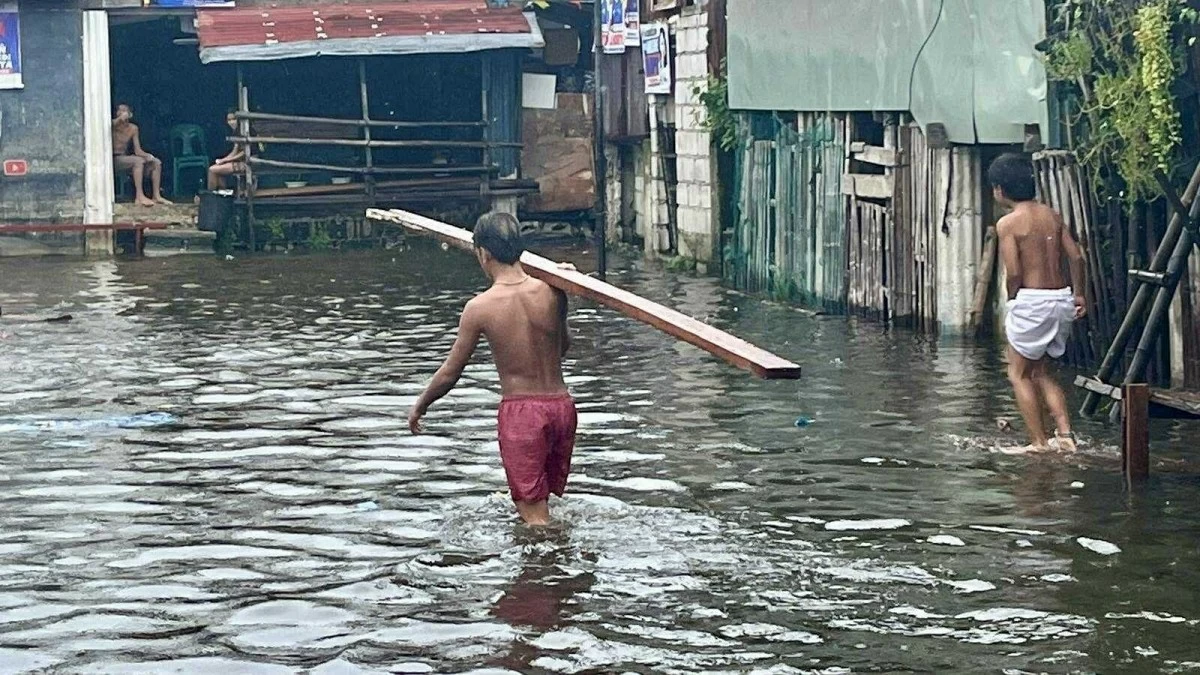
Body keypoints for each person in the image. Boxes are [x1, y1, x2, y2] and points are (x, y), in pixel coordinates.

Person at [408, 212, 576, 526]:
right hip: (562, 407)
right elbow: (563, 348)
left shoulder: (480, 307)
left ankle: (553, 567)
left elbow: (451, 372)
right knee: (542, 502)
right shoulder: (554, 290)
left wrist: (420, 405)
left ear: (483, 254)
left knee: (534, 516)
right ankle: (557, 566)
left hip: (523, 414)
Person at [990, 153, 1087, 453]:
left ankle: (1039, 442)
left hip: (1031, 299)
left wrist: (1012, 299)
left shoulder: (1008, 223)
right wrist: (1079, 294)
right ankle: (1066, 435)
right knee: (1042, 371)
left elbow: (1015, 271)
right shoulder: (1052, 215)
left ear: (1000, 190)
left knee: (1017, 373)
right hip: (1061, 299)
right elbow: (1077, 256)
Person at [112, 103, 170, 207]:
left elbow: (137, 150)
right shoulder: (113, 126)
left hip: (126, 158)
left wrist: (148, 156)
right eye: (119, 111)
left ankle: (156, 195)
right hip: (114, 159)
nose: (122, 113)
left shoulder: (133, 128)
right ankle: (139, 196)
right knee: (137, 161)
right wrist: (120, 119)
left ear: (130, 114)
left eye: (124, 111)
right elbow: (110, 125)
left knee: (156, 163)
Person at [206, 109, 245, 192]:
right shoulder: (236, 132)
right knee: (218, 170)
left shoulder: (246, 131)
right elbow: (235, 151)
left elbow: (244, 153)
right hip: (238, 161)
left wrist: (228, 160)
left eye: (234, 119)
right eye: (229, 120)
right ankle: (223, 195)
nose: (231, 122)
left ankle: (211, 195)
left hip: (247, 163)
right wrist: (223, 160)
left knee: (212, 170)